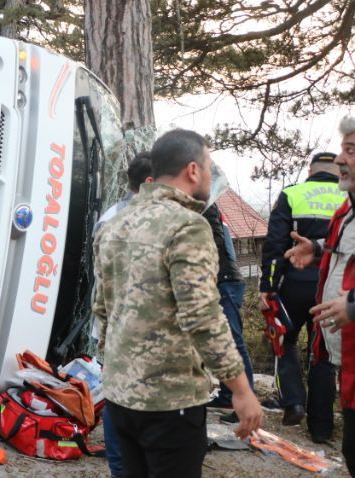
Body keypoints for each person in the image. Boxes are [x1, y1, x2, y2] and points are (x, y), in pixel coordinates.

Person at [93, 128, 262, 477]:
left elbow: (102, 308)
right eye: (208, 163)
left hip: (121, 398)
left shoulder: (115, 224)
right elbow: (201, 315)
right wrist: (241, 389)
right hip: (170, 402)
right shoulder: (188, 226)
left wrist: (112, 372)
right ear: (193, 170)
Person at [285, 115, 355, 473]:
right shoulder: (345, 210)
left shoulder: (295, 195)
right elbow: (344, 250)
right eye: (343, 150)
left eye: (352, 151)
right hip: (345, 354)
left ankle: (312, 420)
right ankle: (322, 427)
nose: (341, 160)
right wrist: (317, 248)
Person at [259, 151, 345, 440]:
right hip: (333, 287)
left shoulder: (292, 194)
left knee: (285, 340)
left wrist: (267, 286)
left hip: (295, 282)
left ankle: (293, 402)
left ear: (310, 171)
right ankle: (321, 428)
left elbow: (274, 245)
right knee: (323, 352)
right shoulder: (348, 197)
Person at [94, 152, 153, 478]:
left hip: (117, 323)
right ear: (148, 183)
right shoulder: (122, 220)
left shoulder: (115, 215)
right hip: (122, 324)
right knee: (119, 397)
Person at [204, 202, 254, 423]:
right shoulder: (208, 206)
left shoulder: (205, 206)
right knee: (222, 341)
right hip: (225, 280)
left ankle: (244, 401)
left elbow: (212, 244)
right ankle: (227, 395)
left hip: (225, 280)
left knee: (233, 342)